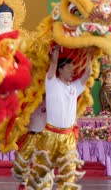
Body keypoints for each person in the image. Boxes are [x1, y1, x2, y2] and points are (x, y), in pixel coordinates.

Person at [27, 46, 91, 190]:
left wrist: (89, 56)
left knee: (69, 172)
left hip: (68, 137)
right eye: (69, 68)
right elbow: (53, 66)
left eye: (73, 68)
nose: (72, 71)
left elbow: (88, 73)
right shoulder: (52, 83)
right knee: (44, 171)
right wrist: (55, 53)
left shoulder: (74, 88)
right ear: (60, 70)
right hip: (50, 134)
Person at [12, 101, 47, 190]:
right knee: (20, 164)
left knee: (44, 167)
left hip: (44, 137)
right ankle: (24, 184)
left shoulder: (51, 99)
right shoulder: (28, 100)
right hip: (28, 136)